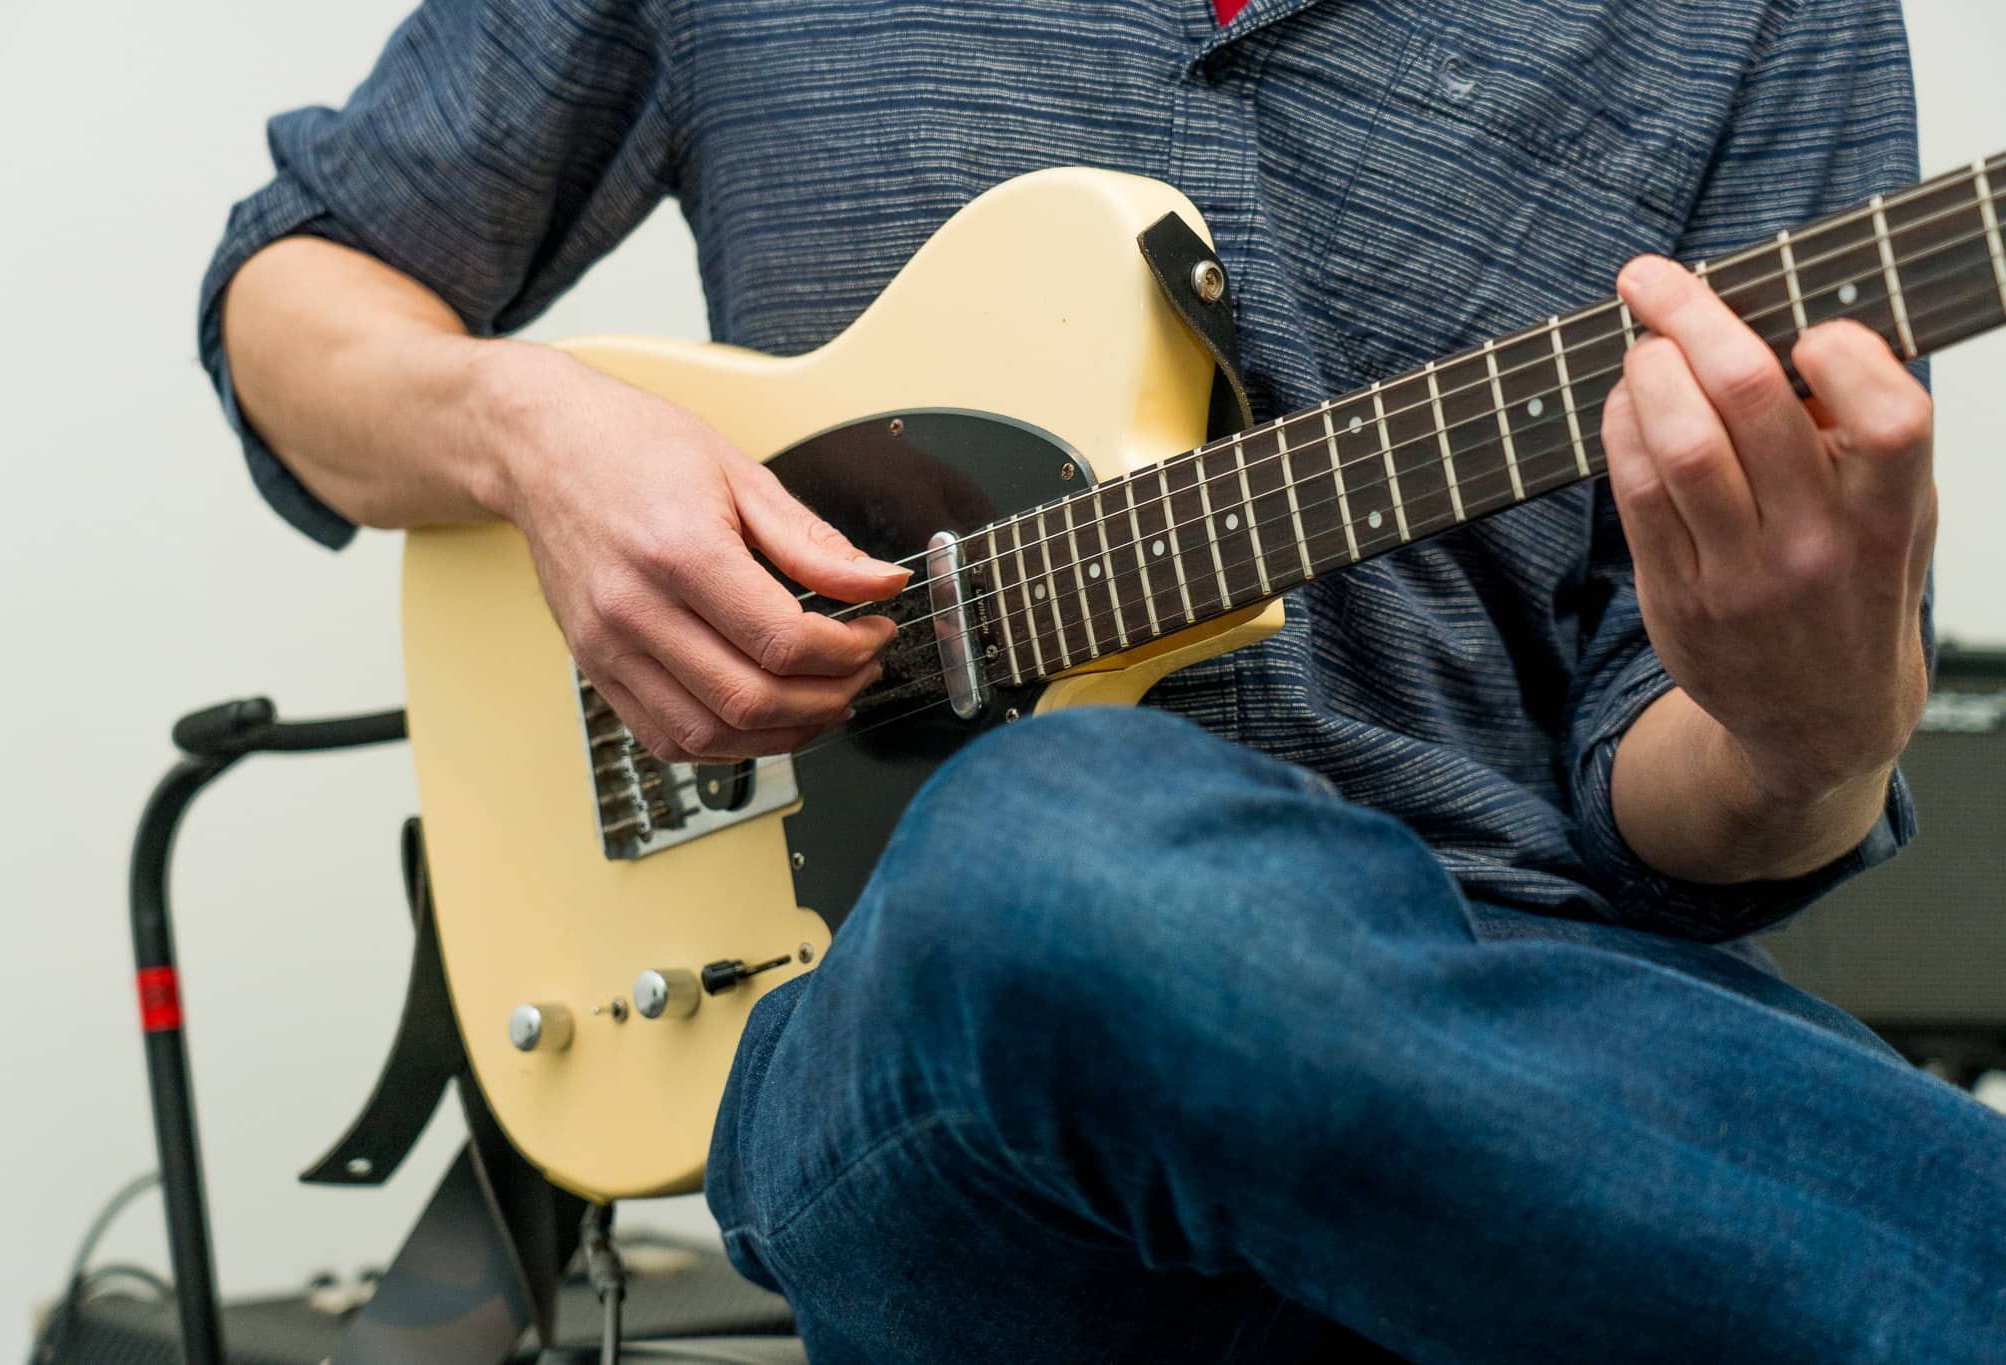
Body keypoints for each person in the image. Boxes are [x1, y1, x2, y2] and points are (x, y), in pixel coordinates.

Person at [199, 0, 2004, 1358]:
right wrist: (532, 433)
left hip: (1508, 1028)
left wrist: (1805, 729)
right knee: (1052, 854)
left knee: (1079, 852)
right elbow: (294, 299)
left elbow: (1668, 814)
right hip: (885, 1017)